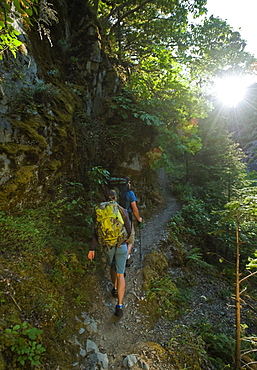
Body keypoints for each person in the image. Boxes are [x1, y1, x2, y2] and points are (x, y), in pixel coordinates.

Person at [88, 190, 131, 317]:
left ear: (105, 198)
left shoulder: (99, 210)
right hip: (121, 245)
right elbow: (128, 230)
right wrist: (124, 238)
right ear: (115, 198)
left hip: (107, 247)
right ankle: (119, 306)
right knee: (120, 274)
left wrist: (92, 249)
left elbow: (96, 232)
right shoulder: (121, 210)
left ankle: (115, 288)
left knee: (112, 266)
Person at [120, 177, 142, 267]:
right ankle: (125, 258)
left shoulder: (117, 193)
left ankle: (122, 256)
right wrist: (138, 218)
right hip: (127, 218)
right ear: (127, 183)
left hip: (116, 219)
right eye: (129, 182)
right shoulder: (130, 193)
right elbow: (134, 208)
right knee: (131, 239)